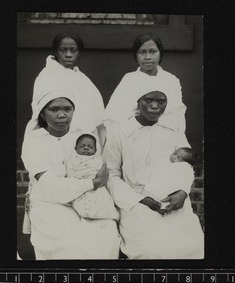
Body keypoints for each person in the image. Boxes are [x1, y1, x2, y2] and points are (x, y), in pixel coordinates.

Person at [104, 89, 204, 259]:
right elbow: (112, 174)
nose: (155, 106)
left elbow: (185, 166)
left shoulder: (173, 129)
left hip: (172, 198)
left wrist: (182, 192)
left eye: (161, 101)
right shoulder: (120, 131)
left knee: (192, 248)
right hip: (136, 200)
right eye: (148, 100)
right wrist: (139, 199)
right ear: (138, 101)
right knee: (150, 252)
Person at [21, 89, 120, 260]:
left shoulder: (82, 136)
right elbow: (50, 187)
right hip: (49, 201)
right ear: (43, 114)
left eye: (67, 109)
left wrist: (94, 184)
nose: (62, 115)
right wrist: (94, 183)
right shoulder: (34, 141)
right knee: (71, 244)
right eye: (54, 109)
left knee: (106, 237)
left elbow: (99, 167)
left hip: (87, 197)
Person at [25, 31, 106, 147]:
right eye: (63, 50)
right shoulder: (47, 76)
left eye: (73, 50)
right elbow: (41, 111)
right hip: (57, 136)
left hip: (85, 138)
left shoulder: (82, 78)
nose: (68, 54)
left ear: (79, 53)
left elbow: (94, 109)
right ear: (56, 52)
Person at [105, 32, 186, 133]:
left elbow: (176, 113)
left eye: (152, 51)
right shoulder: (129, 80)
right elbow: (116, 115)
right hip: (134, 134)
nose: (147, 57)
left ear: (160, 53)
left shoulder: (171, 80)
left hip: (165, 134)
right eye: (142, 52)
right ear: (136, 55)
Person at [65, 133, 119, 220]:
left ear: (95, 150)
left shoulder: (97, 159)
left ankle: (105, 214)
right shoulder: (73, 159)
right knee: (83, 201)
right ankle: (87, 213)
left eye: (90, 147)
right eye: (82, 146)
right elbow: (70, 172)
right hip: (81, 187)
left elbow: (102, 172)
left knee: (102, 199)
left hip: (97, 187)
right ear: (75, 149)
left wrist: (97, 177)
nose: (86, 148)